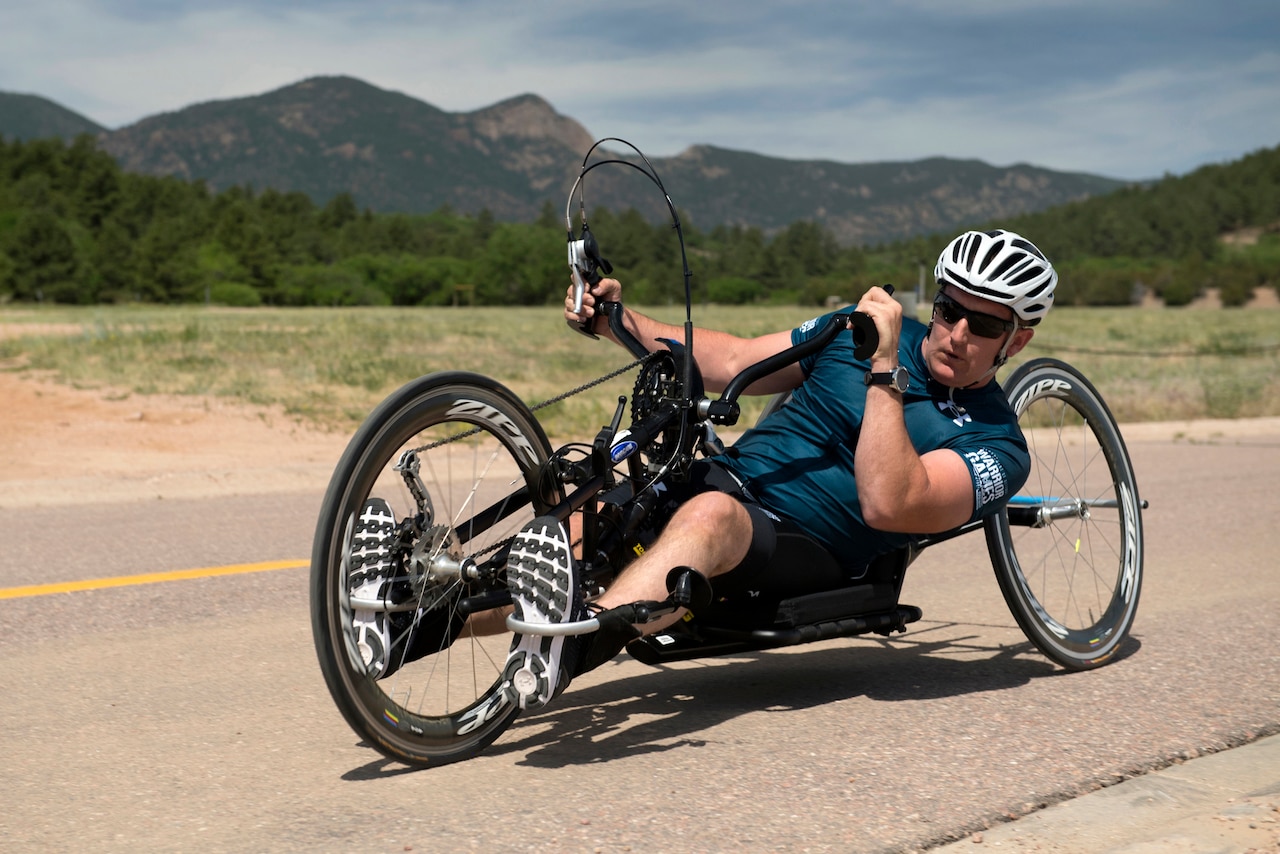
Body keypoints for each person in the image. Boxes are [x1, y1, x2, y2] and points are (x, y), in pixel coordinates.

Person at [505, 228, 1055, 711]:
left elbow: (890, 501)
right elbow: (735, 360)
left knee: (711, 517)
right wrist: (615, 320)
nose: (957, 334)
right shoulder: (852, 331)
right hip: (725, 478)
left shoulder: (999, 445)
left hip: (806, 545)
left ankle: (567, 646)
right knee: (585, 526)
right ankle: (428, 617)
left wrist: (885, 369)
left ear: (1017, 339)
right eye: (948, 310)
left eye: (982, 324)